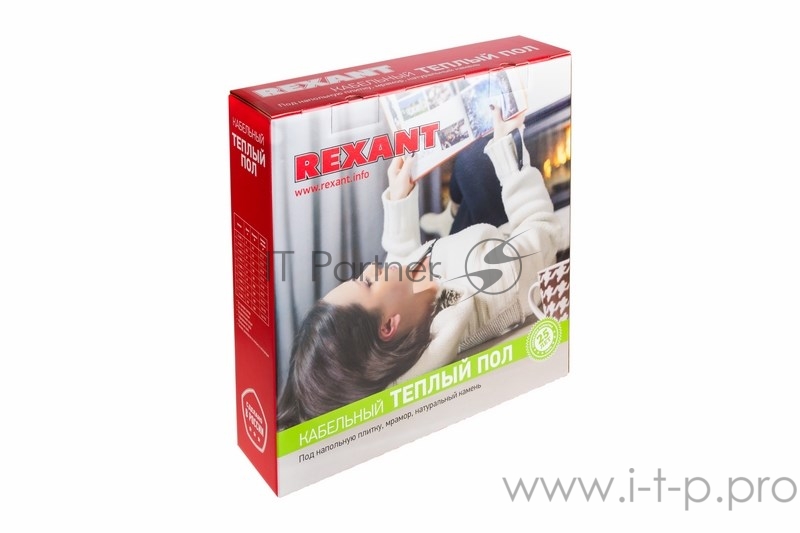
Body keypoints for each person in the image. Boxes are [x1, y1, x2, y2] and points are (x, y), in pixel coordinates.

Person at [277, 106, 565, 430]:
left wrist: (399, 198)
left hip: (455, 245)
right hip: (499, 243)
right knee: (473, 162)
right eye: (367, 283)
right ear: (389, 325)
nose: (371, 269)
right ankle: (457, 210)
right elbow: (542, 228)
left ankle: (450, 216)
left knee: (463, 175)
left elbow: (399, 261)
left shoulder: (404, 327)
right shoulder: (490, 282)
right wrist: (508, 159)